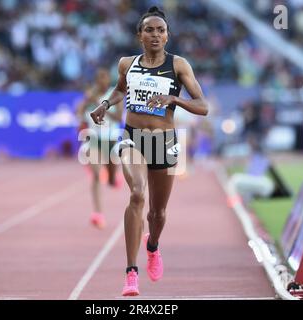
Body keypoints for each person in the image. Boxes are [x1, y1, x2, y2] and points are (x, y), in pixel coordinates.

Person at [89, 6, 208, 296]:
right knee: (137, 194)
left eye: (161, 30)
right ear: (139, 35)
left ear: (167, 36)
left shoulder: (179, 65)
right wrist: (105, 104)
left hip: (164, 142)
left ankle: (152, 245)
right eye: (149, 30)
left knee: (158, 212)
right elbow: (119, 90)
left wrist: (173, 99)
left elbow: (202, 106)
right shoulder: (126, 64)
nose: (155, 35)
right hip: (132, 138)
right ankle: (131, 273)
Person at [76, 68, 123, 229]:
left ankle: (112, 178)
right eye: (100, 79)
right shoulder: (90, 95)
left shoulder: (114, 95)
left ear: (109, 80)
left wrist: (100, 106)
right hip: (93, 139)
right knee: (96, 175)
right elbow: (79, 113)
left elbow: (118, 118)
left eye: (106, 78)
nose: (103, 81)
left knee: (110, 180)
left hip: (110, 140)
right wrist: (85, 102)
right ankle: (98, 213)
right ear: (96, 80)